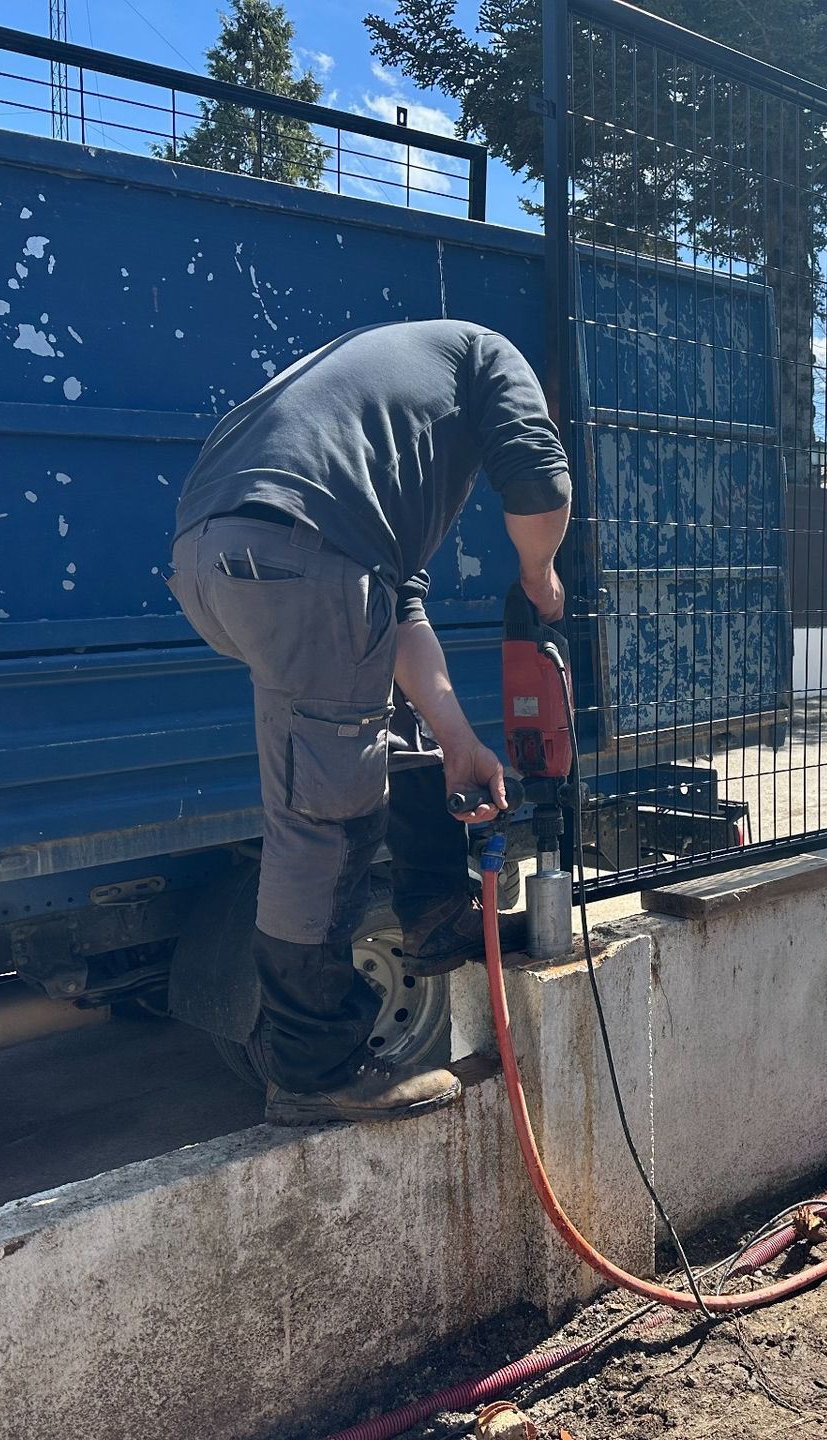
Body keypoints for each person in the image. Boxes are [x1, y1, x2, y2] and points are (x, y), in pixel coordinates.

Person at [167, 320, 570, 1126]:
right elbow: (539, 476)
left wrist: (460, 739)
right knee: (328, 815)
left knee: (372, 730)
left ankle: (433, 919)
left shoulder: (378, 420)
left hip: (218, 557)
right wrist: (540, 576)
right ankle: (315, 1065)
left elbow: (395, 616)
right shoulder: (491, 354)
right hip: (297, 556)